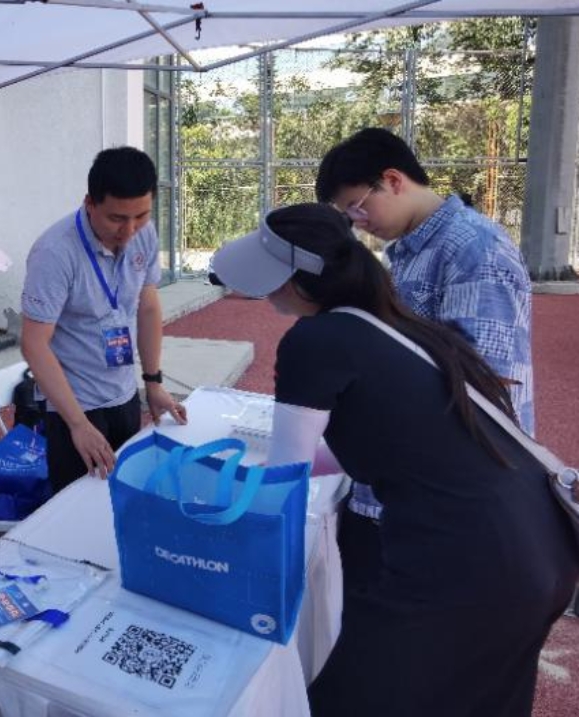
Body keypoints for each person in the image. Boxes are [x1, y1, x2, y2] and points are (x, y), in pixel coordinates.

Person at [211, 203, 578, 717]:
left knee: (348, 701)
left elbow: (285, 479)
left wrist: (223, 556)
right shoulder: (397, 327)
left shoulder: (315, 341)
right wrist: (253, 473)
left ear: (295, 280)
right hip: (540, 550)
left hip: (470, 563)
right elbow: (380, 443)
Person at [315, 127, 535, 543]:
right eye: (348, 216)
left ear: (393, 180)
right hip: (415, 476)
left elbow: (481, 384)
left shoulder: (475, 250)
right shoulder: (411, 251)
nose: (358, 224)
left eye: (358, 207)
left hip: (455, 490)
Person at [20, 147, 186, 493]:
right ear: (90, 203)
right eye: (116, 219)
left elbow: (147, 306)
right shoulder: (54, 253)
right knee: (77, 505)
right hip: (74, 407)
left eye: (141, 215)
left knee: (125, 494)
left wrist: (153, 382)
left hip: (123, 394)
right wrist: (78, 424)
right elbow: (34, 345)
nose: (129, 230)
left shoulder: (144, 233)